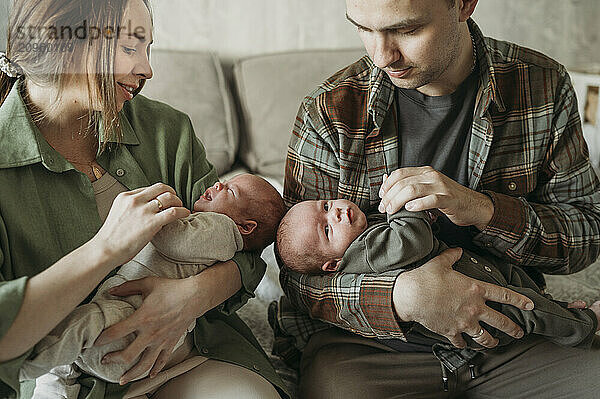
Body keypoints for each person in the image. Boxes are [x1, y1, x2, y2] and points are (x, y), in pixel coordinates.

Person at [273, 0, 600, 397]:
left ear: (463, 5)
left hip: (508, 328)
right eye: (362, 28)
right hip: (368, 346)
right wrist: (401, 298)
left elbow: (586, 234)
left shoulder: (541, 84)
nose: (381, 57)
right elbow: (296, 275)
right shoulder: (328, 110)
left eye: (407, 30)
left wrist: (483, 209)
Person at [0, 1, 288, 398]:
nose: (147, 69)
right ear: (62, 43)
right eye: (131, 47)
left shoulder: (168, 129)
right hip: (63, 381)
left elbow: (245, 248)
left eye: (148, 49)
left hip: (189, 354)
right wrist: (107, 248)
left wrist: (189, 298)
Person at [20, 173, 285, 398]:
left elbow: (175, 241)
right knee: (72, 342)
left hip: (134, 323)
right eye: (222, 182)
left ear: (246, 227)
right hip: (126, 336)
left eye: (230, 191)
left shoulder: (222, 229)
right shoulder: (211, 225)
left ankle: (18, 365)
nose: (217, 185)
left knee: (79, 326)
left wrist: (154, 215)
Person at [275, 197, 599, 364]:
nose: (337, 214)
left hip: (477, 270)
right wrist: (405, 205)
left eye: (327, 206)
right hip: (476, 307)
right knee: (528, 308)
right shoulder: (364, 252)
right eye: (328, 229)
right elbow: (412, 240)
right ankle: (584, 325)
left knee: (523, 287)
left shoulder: (358, 234)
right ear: (332, 265)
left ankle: (562, 308)